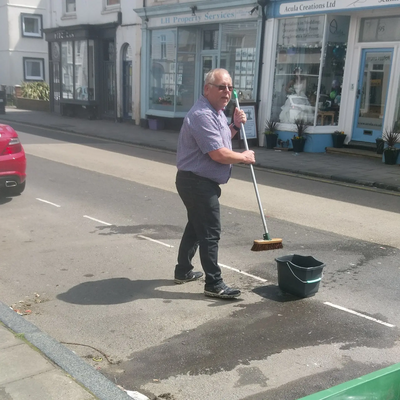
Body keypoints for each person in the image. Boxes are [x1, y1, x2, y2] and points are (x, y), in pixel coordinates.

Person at [174, 68, 255, 299]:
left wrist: (236, 126)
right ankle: (214, 283)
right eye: (221, 87)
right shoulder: (201, 115)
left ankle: (183, 270)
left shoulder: (217, 112)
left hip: (199, 181)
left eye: (230, 87)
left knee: (196, 227)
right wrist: (244, 157)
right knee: (210, 231)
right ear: (207, 89)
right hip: (196, 182)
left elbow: (221, 139)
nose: (227, 92)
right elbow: (218, 154)